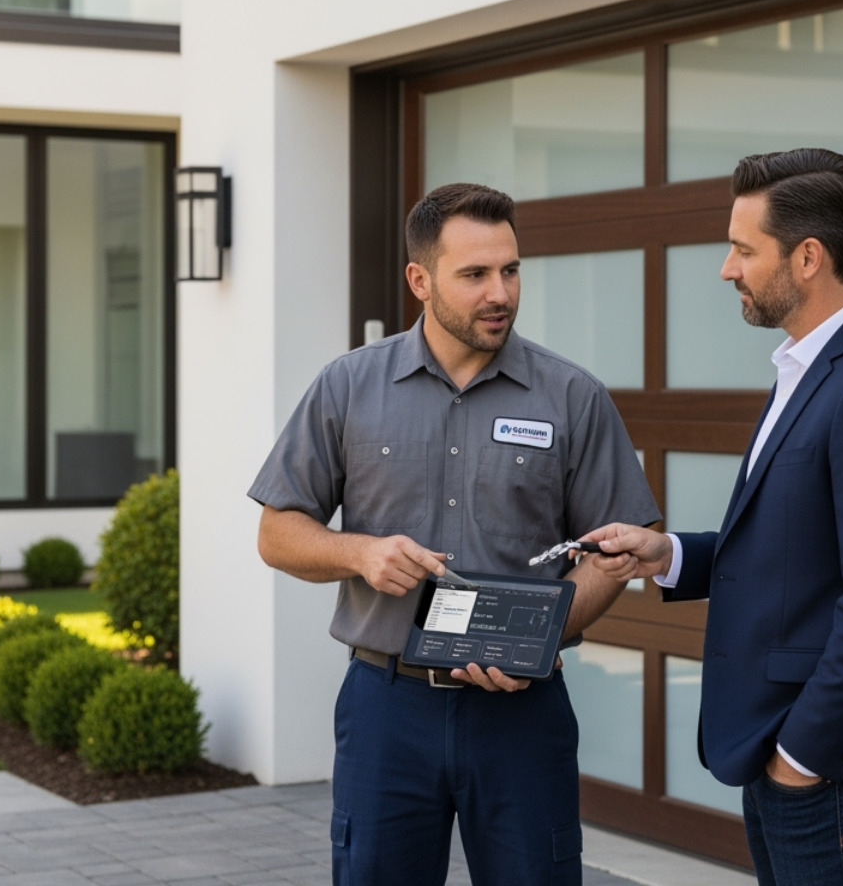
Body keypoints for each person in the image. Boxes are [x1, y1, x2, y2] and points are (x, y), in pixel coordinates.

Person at [249, 182, 661, 886]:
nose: (500, 293)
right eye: (474, 274)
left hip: (522, 712)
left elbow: (615, 549)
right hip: (388, 709)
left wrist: (537, 641)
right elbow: (277, 532)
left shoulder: (572, 396)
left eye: (511, 270)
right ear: (420, 279)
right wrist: (360, 553)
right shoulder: (347, 386)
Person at [583, 148, 843, 886]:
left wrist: (801, 757)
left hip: (838, 770)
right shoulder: (812, 366)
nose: (727, 269)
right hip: (794, 754)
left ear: (808, 257)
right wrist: (670, 555)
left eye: (744, 250)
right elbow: (797, 546)